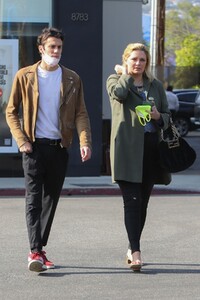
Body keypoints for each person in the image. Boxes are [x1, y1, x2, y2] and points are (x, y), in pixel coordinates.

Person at [6, 27, 92, 272]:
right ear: (41, 48)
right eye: (51, 46)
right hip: (33, 147)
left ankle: (40, 249)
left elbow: (81, 113)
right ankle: (34, 251)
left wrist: (85, 141)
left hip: (59, 147)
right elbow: (11, 111)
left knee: (50, 200)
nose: (56, 51)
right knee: (33, 200)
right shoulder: (25, 76)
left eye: (59, 47)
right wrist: (22, 140)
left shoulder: (72, 78)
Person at [106, 43, 171, 272]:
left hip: (151, 149)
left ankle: (131, 245)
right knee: (131, 202)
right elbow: (120, 95)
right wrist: (124, 74)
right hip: (126, 150)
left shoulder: (155, 86)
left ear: (147, 62)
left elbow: (167, 116)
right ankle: (136, 252)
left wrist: (157, 116)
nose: (138, 63)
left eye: (142, 60)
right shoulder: (115, 80)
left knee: (142, 203)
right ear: (126, 60)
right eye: (133, 59)